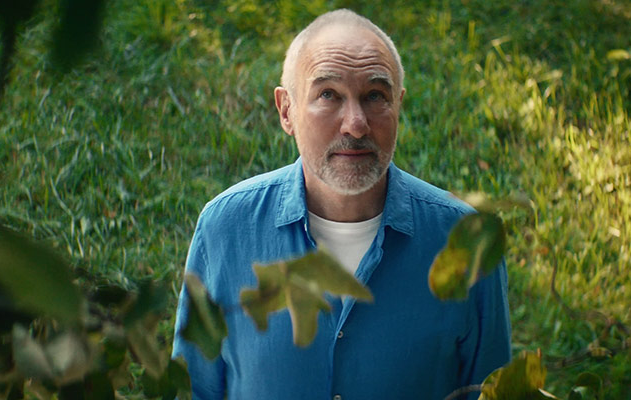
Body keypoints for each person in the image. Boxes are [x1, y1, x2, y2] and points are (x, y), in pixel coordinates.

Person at [172, 9, 511, 400]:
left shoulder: (467, 242)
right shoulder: (224, 228)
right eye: (328, 95)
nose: (355, 124)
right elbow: (193, 390)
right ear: (287, 111)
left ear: (397, 105)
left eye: (375, 96)